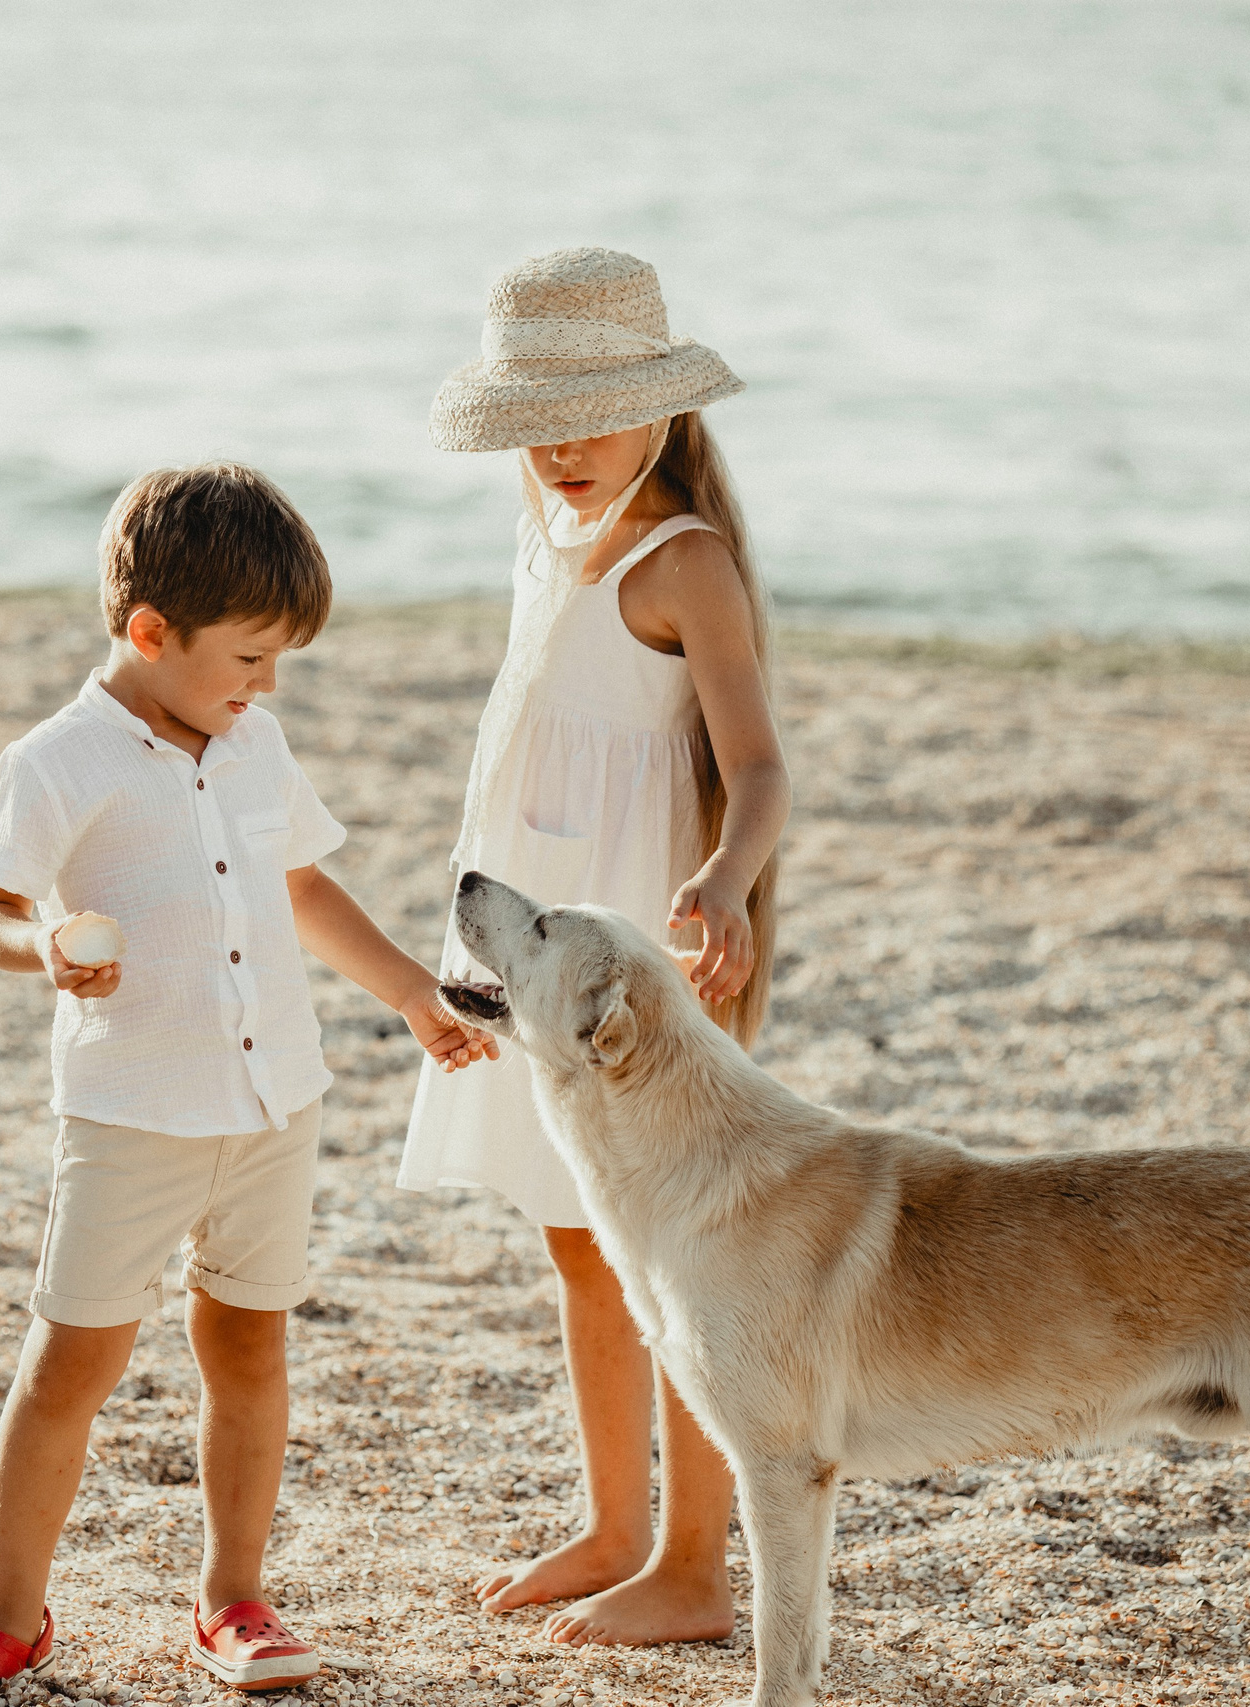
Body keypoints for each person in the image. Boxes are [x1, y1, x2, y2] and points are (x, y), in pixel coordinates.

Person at [0, 463, 494, 1705]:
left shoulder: (253, 743)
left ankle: (232, 1597)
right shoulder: (57, 762)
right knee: (70, 1364)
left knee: (248, 1347)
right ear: (149, 633)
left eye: (279, 664)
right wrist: (44, 949)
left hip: (276, 1101)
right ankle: (9, 1619)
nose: (265, 687)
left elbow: (304, 888)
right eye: (247, 659)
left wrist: (409, 995)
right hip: (131, 1115)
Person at [399, 248, 789, 1647]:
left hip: (632, 935)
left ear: (664, 410)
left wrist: (730, 881)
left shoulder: (682, 559)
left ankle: (692, 1559)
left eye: (591, 410)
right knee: (582, 1239)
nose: (561, 444)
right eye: (537, 418)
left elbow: (756, 767)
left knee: (674, 1249)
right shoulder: (548, 528)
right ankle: (617, 1522)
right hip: (534, 926)